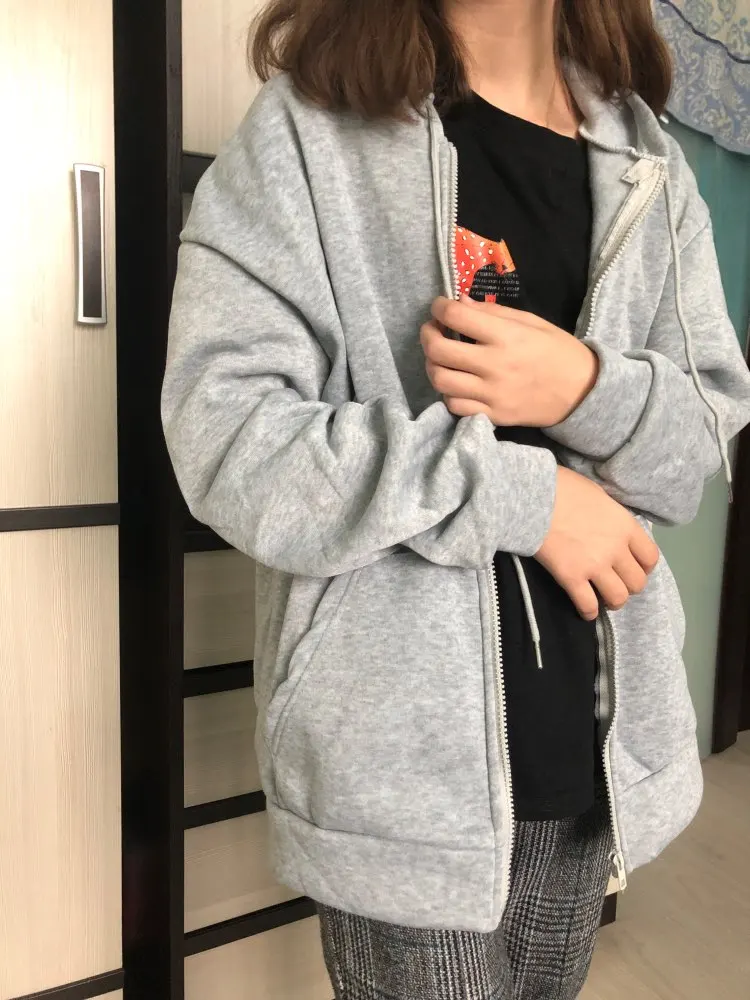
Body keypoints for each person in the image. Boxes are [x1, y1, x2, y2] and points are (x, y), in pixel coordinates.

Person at [162, 0, 750, 996]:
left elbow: (694, 445)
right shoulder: (309, 132)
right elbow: (228, 440)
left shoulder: (649, 163)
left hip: (593, 747)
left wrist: (582, 386)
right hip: (400, 772)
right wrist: (528, 497)